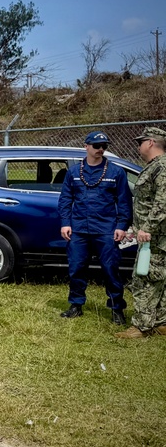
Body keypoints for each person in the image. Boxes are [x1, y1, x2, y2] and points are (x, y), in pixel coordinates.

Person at [57, 131, 132, 324]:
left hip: (106, 229)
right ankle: (76, 305)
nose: (101, 150)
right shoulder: (74, 172)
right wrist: (65, 222)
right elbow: (65, 199)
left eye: (104, 146)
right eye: (97, 146)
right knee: (76, 268)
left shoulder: (116, 172)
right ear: (86, 146)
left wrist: (122, 225)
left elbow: (124, 202)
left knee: (110, 269)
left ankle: (117, 308)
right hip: (79, 229)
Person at [116, 127, 166, 339]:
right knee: (160, 278)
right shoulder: (155, 167)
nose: (138, 147)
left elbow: (162, 202)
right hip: (156, 236)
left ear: (151, 143)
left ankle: (141, 326)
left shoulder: (161, 167)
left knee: (145, 278)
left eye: (141, 142)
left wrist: (147, 228)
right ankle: (161, 322)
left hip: (155, 236)